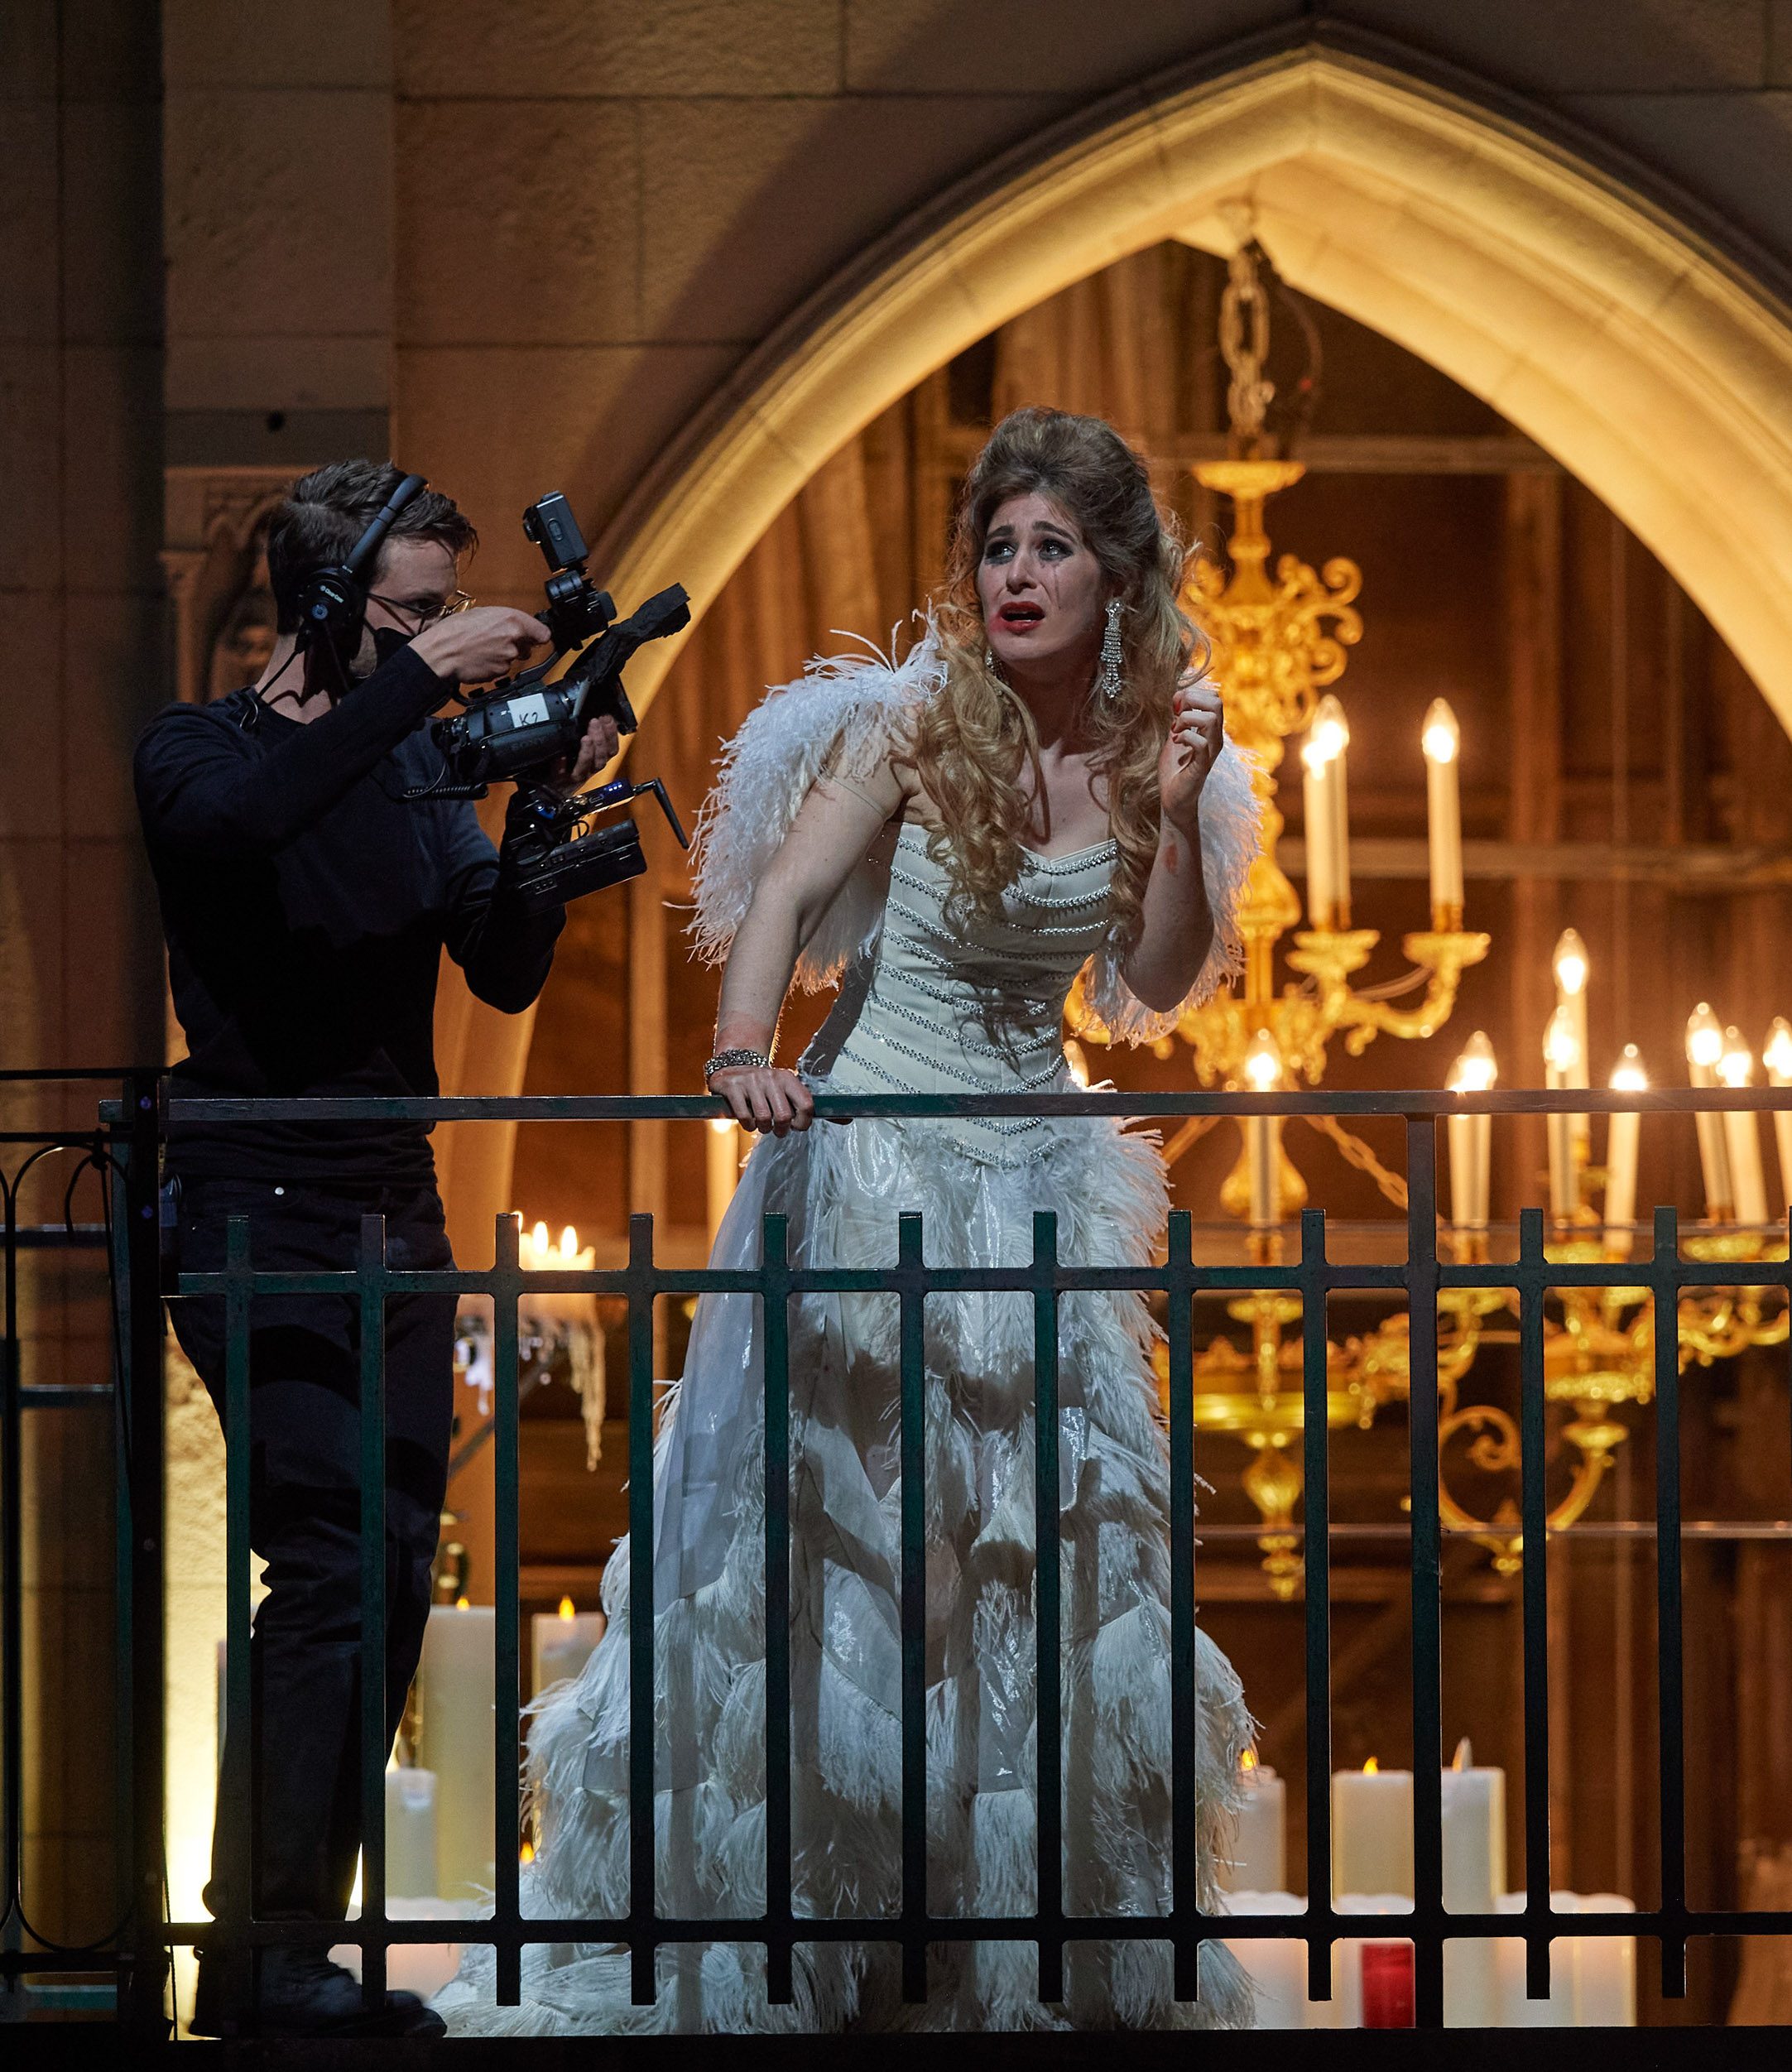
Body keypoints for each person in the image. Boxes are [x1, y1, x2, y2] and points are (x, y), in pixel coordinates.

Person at [440, 407, 1262, 2035]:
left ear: (1118, 577)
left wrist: (1168, 800)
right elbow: (786, 901)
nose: (1018, 573)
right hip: (871, 1160)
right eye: (1000, 545)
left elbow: (1158, 983)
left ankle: (979, 1924)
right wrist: (743, 1050)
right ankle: (808, 1913)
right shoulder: (914, 726)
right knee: (847, 1555)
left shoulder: (1156, 747)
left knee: (1021, 1561)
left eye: (1055, 547)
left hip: (1028, 1179)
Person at [134, 459, 620, 2040]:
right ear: (328, 610)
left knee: (395, 1567)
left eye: (440, 615)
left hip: (391, 1211)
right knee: (329, 1562)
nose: (442, 644)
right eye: (410, 612)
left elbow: (500, 968)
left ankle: (293, 1948)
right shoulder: (201, 750)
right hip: (254, 1203)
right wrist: (419, 682)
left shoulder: (414, 776)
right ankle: (259, 1959)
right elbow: (239, 823)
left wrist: (543, 814)